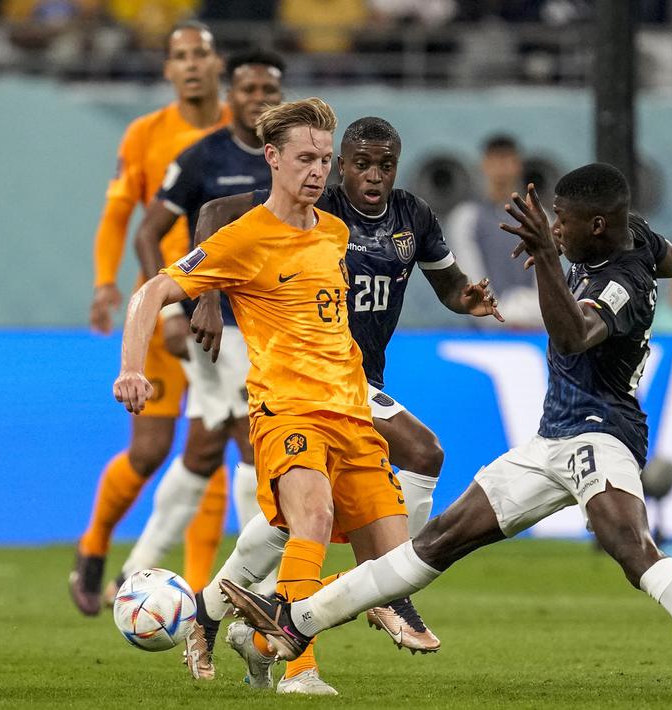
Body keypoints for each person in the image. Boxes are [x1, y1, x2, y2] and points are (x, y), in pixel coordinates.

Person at [222, 164, 672, 704]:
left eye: (563, 222)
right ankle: (297, 622)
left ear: (596, 226)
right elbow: (666, 258)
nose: (555, 229)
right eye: (553, 221)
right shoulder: (632, 237)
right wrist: (624, 247)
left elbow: (572, 336)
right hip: (549, 443)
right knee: (440, 538)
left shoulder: (619, 287)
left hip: (601, 435)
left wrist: (546, 257)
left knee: (630, 546)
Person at [113, 98, 498, 695]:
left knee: (396, 574)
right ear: (272, 158)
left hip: (353, 410)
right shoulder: (245, 238)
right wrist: (133, 367)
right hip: (287, 409)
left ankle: (246, 628)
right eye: (306, 158)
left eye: (323, 158)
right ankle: (300, 671)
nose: (317, 171)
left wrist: (461, 296)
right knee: (310, 518)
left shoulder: (336, 231)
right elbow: (154, 290)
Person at [72, 20, 233, 615]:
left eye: (201, 54)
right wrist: (105, 283)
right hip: (164, 309)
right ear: (167, 70)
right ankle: (93, 545)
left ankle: (194, 591)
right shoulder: (145, 135)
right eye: (180, 56)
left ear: (219, 67)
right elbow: (120, 216)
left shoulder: (240, 136)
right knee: (148, 451)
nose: (191, 65)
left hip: (227, 314)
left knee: (208, 442)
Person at [110, 49, 284, 594]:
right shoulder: (202, 157)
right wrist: (171, 308)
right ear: (230, 96)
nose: (259, 99)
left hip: (272, 324)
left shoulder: (288, 160)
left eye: (269, 91)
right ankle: (260, 584)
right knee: (254, 443)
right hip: (220, 327)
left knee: (205, 448)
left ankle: (135, 568)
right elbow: (147, 231)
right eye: (249, 89)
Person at [445, 134, 543, 330]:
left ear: (518, 165)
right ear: (484, 165)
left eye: (507, 160)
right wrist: (500, 314)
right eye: (496, 160)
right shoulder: (466, 217)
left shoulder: (539, 217)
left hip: (535, 328)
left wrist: (532, 313)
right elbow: (470, 277)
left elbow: (545, 275)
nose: (502, 168)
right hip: (485, 331)